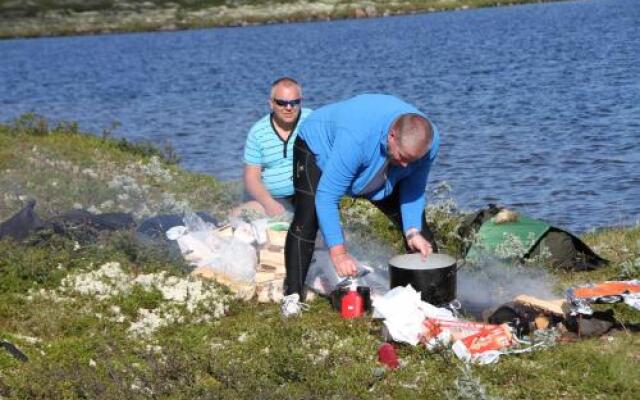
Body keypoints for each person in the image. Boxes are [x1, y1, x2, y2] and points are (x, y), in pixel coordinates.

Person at [281, 93, 441, 317]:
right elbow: (327, 197)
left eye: (412, 161)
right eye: (403, 157)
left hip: (375, 167)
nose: (406, 166)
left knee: (420, 236)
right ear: (392, 136)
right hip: (318, 147)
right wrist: (339, 253)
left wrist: (412, 230)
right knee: (308, 218)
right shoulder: (356, 137)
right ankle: (292, 297)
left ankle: (430, 305)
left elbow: (413, 189)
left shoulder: (426, 145)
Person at [237, 77, 312, 217]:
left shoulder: (312, 121)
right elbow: (251, 178)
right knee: (237, 215)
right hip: (273, 200)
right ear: (271, 104)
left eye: (294, 102)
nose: (288, 108)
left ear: (301, 102)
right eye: (282, 103)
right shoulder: (258, 132)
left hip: (308, 195)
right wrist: (269, 203)